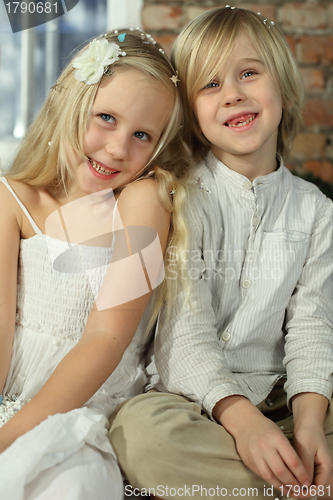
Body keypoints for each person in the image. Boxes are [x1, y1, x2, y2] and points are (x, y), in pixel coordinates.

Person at [109, 8, 333, 500]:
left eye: (248, 73)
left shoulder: (316, 210)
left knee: (319, 425)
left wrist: (311, 421)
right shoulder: (179, 197)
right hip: (194, 400)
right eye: (209, 85)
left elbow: (313, 326)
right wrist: (242, 421)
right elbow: (183, 331)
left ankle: (292, 469)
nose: (232, 92)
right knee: (142, 436)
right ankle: (302, 486)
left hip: (282, 395)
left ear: (283, 85)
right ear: (190, 110)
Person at [0, 27, 190, 500]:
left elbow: (107, 335)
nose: (118, 148)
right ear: (70, 101)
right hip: (10, 397)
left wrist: (10, 437)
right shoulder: (11, 199)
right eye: (106, 117)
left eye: (142, 135)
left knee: (72, 485)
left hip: (86, 407)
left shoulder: (146, 200)